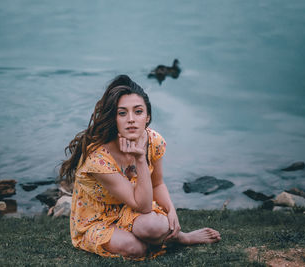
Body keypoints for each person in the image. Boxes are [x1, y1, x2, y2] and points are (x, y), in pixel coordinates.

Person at [60, 75, 221, 259]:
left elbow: (157, 184)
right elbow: (144, 206)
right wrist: (140, 159)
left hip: (131, 211)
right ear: (114, 118)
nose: (131, 119)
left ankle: (179, 237)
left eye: (138, 111)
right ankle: (170, 240)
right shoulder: (98, 158)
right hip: (97, 221)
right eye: (122, 113)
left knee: (156, 226)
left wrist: (171, 210)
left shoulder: (154, 141)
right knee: (135, 249)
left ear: (148, 117)